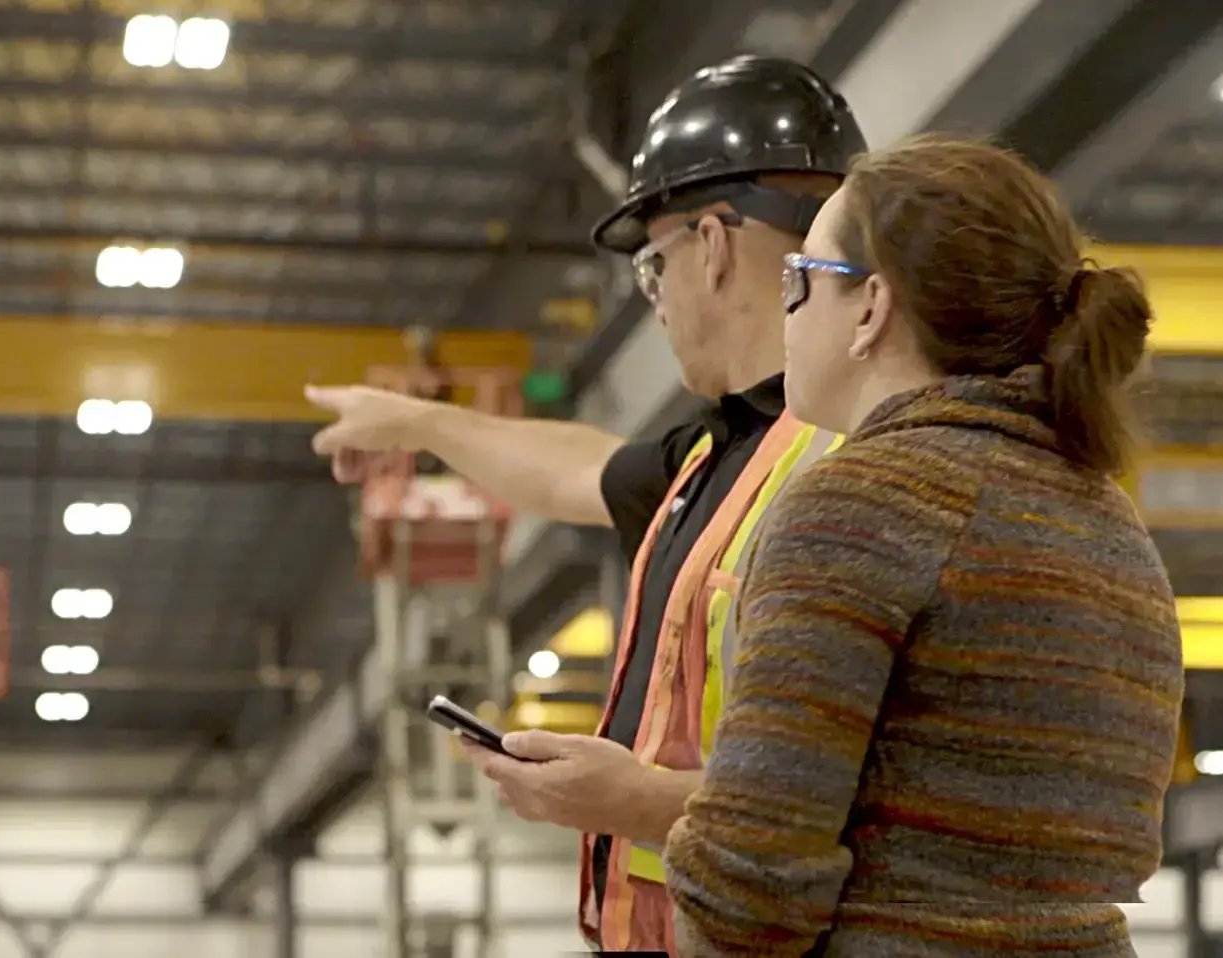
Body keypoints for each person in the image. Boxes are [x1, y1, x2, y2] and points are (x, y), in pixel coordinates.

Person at [305, 56, 867, 953]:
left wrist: (633, 801)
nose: (656, 302)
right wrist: (416, 421)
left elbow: (877, 798)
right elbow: (577, 469)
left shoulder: (853, 469)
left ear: (713, 248)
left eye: (653, 266)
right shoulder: (718, 459)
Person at [662, 133, 1185, 955]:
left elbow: (752, 880)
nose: (786, 311)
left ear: (870, 307)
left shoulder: (859, 502)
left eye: (800, 278)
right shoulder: (1106, 520)